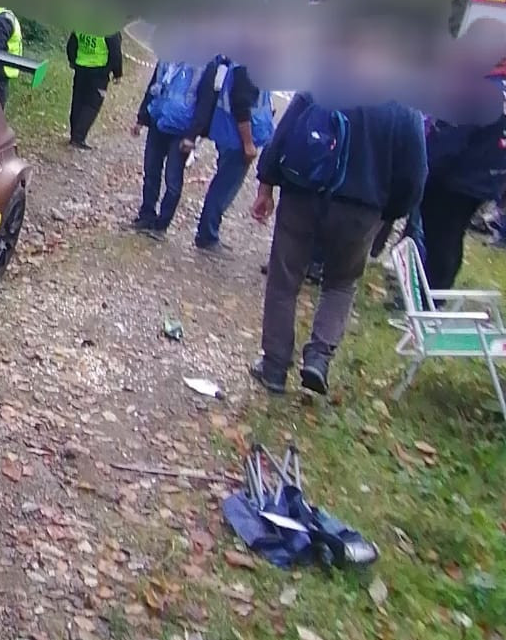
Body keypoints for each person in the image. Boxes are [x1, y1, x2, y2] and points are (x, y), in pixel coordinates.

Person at [251, 95, 427, 395]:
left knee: (284, 280)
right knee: (341, 284)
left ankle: (274, 368)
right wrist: (388, 212)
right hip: (362, 210)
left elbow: (284, 133)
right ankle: (318, 358)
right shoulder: (404, 104)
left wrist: (266, 184)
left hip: (302, 196)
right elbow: (414, 176)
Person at [415, 82, 506, 289]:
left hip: (456, 178)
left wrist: (425, 165)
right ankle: (433, 288)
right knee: (451, 235)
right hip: (484, 178)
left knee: (441, 238)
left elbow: (451, 139)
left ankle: (431, 294)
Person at [194, 59, 274, 251]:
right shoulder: (249, 66)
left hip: (229, 135)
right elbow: (241, 105)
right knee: (223, 188)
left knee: (223, 184)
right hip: (236, 139)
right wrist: (248, 143)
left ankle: (208, 232)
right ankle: (207, 236)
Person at [132, 58, 215, 238]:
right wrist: (142, 118)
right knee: (151, 171)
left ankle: (161, 225)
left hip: (182, 130)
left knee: (173, 179)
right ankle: (146, 215)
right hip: (158, 121)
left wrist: (193, 135)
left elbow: (205, 102)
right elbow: (154, 86)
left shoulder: (205, 64)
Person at [66, 30, 123, 149]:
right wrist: (117, 73)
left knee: (78, 101)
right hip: (99, 72)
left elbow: (71, 44)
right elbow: (115, 52)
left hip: (81, 68)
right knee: (92, 105)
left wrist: (73, 61)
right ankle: (78, 137)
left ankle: (74, 136)